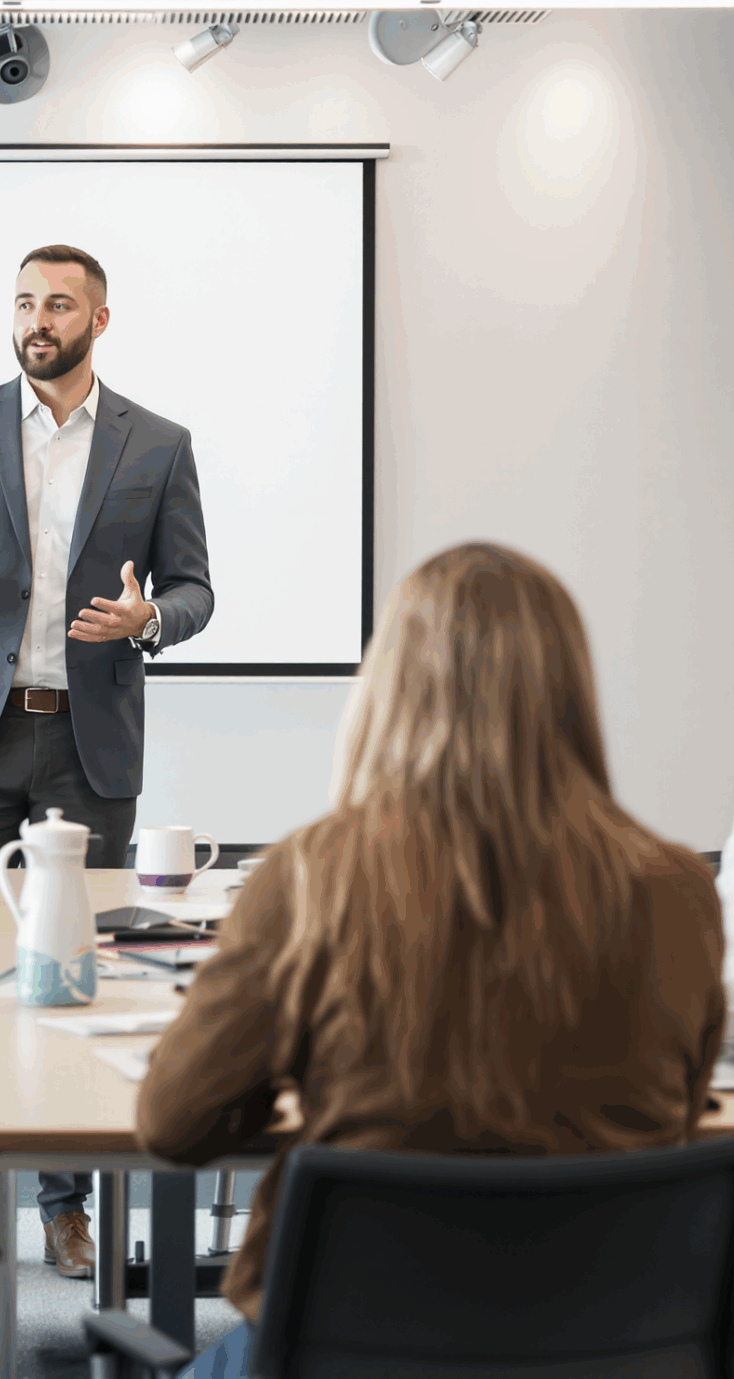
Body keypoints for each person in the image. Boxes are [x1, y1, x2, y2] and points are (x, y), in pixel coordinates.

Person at [136, 541, 725, 1358]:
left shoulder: (311, 876)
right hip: (605, 1352)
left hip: (344, 1351)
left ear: (391, 688)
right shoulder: (679, 892)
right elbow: (684, 1112)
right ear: (570, 692)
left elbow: (175, 1123)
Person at [0, 244, 214, 1274]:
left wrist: (150, 615)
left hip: (86, 737)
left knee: (77, 975)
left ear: (98, 321)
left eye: (58, 303)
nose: (37, 317)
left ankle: (65, 1208)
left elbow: (195, 591)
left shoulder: (156, 443)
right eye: (24, 300)